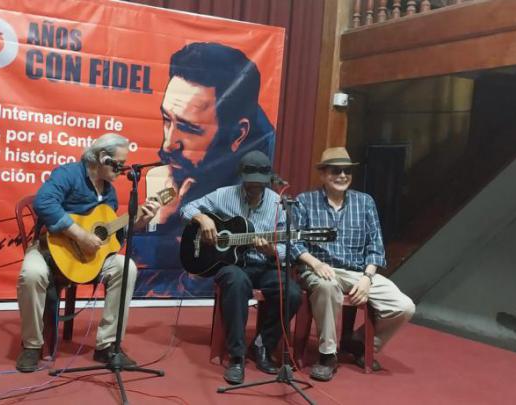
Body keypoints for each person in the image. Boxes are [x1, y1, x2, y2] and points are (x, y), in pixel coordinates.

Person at [136, 42, 277, 297]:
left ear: (238, 134)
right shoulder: (169, 175)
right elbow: (140, 281)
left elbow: (203, 283)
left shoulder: (249, 179)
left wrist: (169, 232)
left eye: (188, 128)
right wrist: (158, 225)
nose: (168, 144)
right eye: (167, 120)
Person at [15, 133, 160, 373]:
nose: (123, 169)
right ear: (102, 158)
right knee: (31, 274)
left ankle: (107, 346)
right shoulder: (68, 173)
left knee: (126, 267)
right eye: (119, 164)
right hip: (49, 249)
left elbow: (111, 237)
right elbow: (44, 203)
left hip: (88, 260)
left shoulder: (110, 193)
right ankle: (32, 345)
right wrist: (79, 235)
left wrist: (139, 222)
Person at [293, 147, 415, 382]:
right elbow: (293, 242)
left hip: (358, 272)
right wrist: (315, 263)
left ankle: (359, 343)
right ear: (323, 174)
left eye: (347, 171)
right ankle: (327, 355)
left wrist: (367, 278)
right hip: (320, 269)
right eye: (335, 170)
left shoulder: (365, 202)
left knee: (404, 306)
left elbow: (376, 247)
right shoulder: (304, 201)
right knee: (327, 286)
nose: (342, 175)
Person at [180, 151, 301, 385]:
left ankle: (263, 344)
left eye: (259, 183)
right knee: (235, 282)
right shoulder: (223, 195)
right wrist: (202, 219)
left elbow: (288, 246)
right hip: (232, 265)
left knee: (293, 293)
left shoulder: (279, 204)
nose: (254, 187)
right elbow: (186, 208)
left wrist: (272, 251)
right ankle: (237, 356)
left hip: (264, 265)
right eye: (250, 182)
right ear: (241, 177)